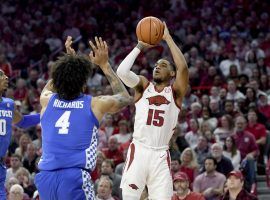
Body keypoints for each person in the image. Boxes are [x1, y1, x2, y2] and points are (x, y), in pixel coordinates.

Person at [34, 36, 132, 200]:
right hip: (74, 177)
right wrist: (105, 65)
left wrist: (67, 63)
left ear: (58, 79)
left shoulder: (47, 100)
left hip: (45, 179)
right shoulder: (95, 104)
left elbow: (47, 87)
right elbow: (124, 97)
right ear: (84, 84)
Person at [117, 22, 189, 200]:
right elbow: (122, 71)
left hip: (160, 154)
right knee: (130, 197)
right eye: (156, 64)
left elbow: (184, 68)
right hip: (139, 149)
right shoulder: (143, 86)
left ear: (172, 74)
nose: (157, 66)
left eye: (163, 65)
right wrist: (140, 46)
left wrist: (167, 38)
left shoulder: (175, 93)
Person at [0, 69, 40, 200]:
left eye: (5, 75)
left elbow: (22, 122)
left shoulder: (8, 104)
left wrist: (45, 115)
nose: (6, 77)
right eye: (1, 75)